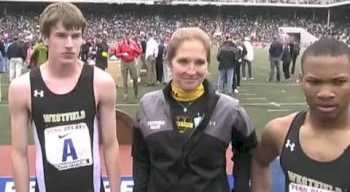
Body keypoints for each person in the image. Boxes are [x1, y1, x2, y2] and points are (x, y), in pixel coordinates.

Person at [9, 2, 120, 192]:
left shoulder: (101, 82)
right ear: (45, 37)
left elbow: (110, 145)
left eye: (76, 36)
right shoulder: (23, 87)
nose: (69, 44)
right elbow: (19, 154)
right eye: (61, 36)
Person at [132, 27, 257, 192]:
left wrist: (241, 188)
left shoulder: (229, 109)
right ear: (169, 62)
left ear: (208, 64)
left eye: (199, 62)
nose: (191, 71)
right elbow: (141, 158)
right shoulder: (148, 106)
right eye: (183, 61)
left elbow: (247, 151)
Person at [251, 38, 350, 192]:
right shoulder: (279, 131)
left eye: (338, 82)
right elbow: (259, 162)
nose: (325, 93)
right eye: (314, 82)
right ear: (301, 80)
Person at [116, 31, 141, 101]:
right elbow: (117, 53)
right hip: (124, 62)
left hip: (131, 61)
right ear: (124, 36)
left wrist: (134, 49)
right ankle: (125, 94)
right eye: (126, 35)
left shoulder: (133, 43)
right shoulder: (120, 43)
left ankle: (136, 93)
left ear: (129, 36)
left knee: (135, 78)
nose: (127, 37)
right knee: (124, 79)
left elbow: (139, 51)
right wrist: (122, 54)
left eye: (128, 35)